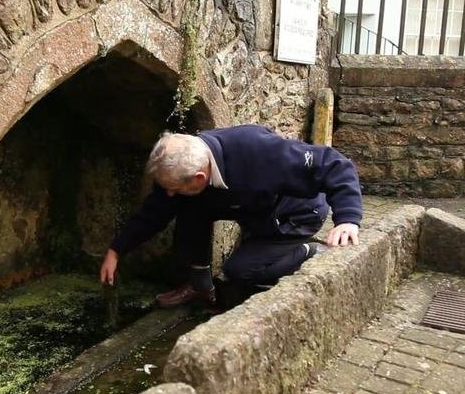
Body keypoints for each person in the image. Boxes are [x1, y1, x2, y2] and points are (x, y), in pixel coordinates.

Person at [99, 124, 362, 307]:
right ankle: (201, 288)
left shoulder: (259, 152)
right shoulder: (183, 169)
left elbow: (333, 164)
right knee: (189, 209)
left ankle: (308, 253)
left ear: (200, 177)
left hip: (296, 216)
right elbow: (154, 211)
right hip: (257, 213)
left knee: (239, 271)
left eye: (173, 189)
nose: (168, 194)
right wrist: (116, 250)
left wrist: (347, 219)